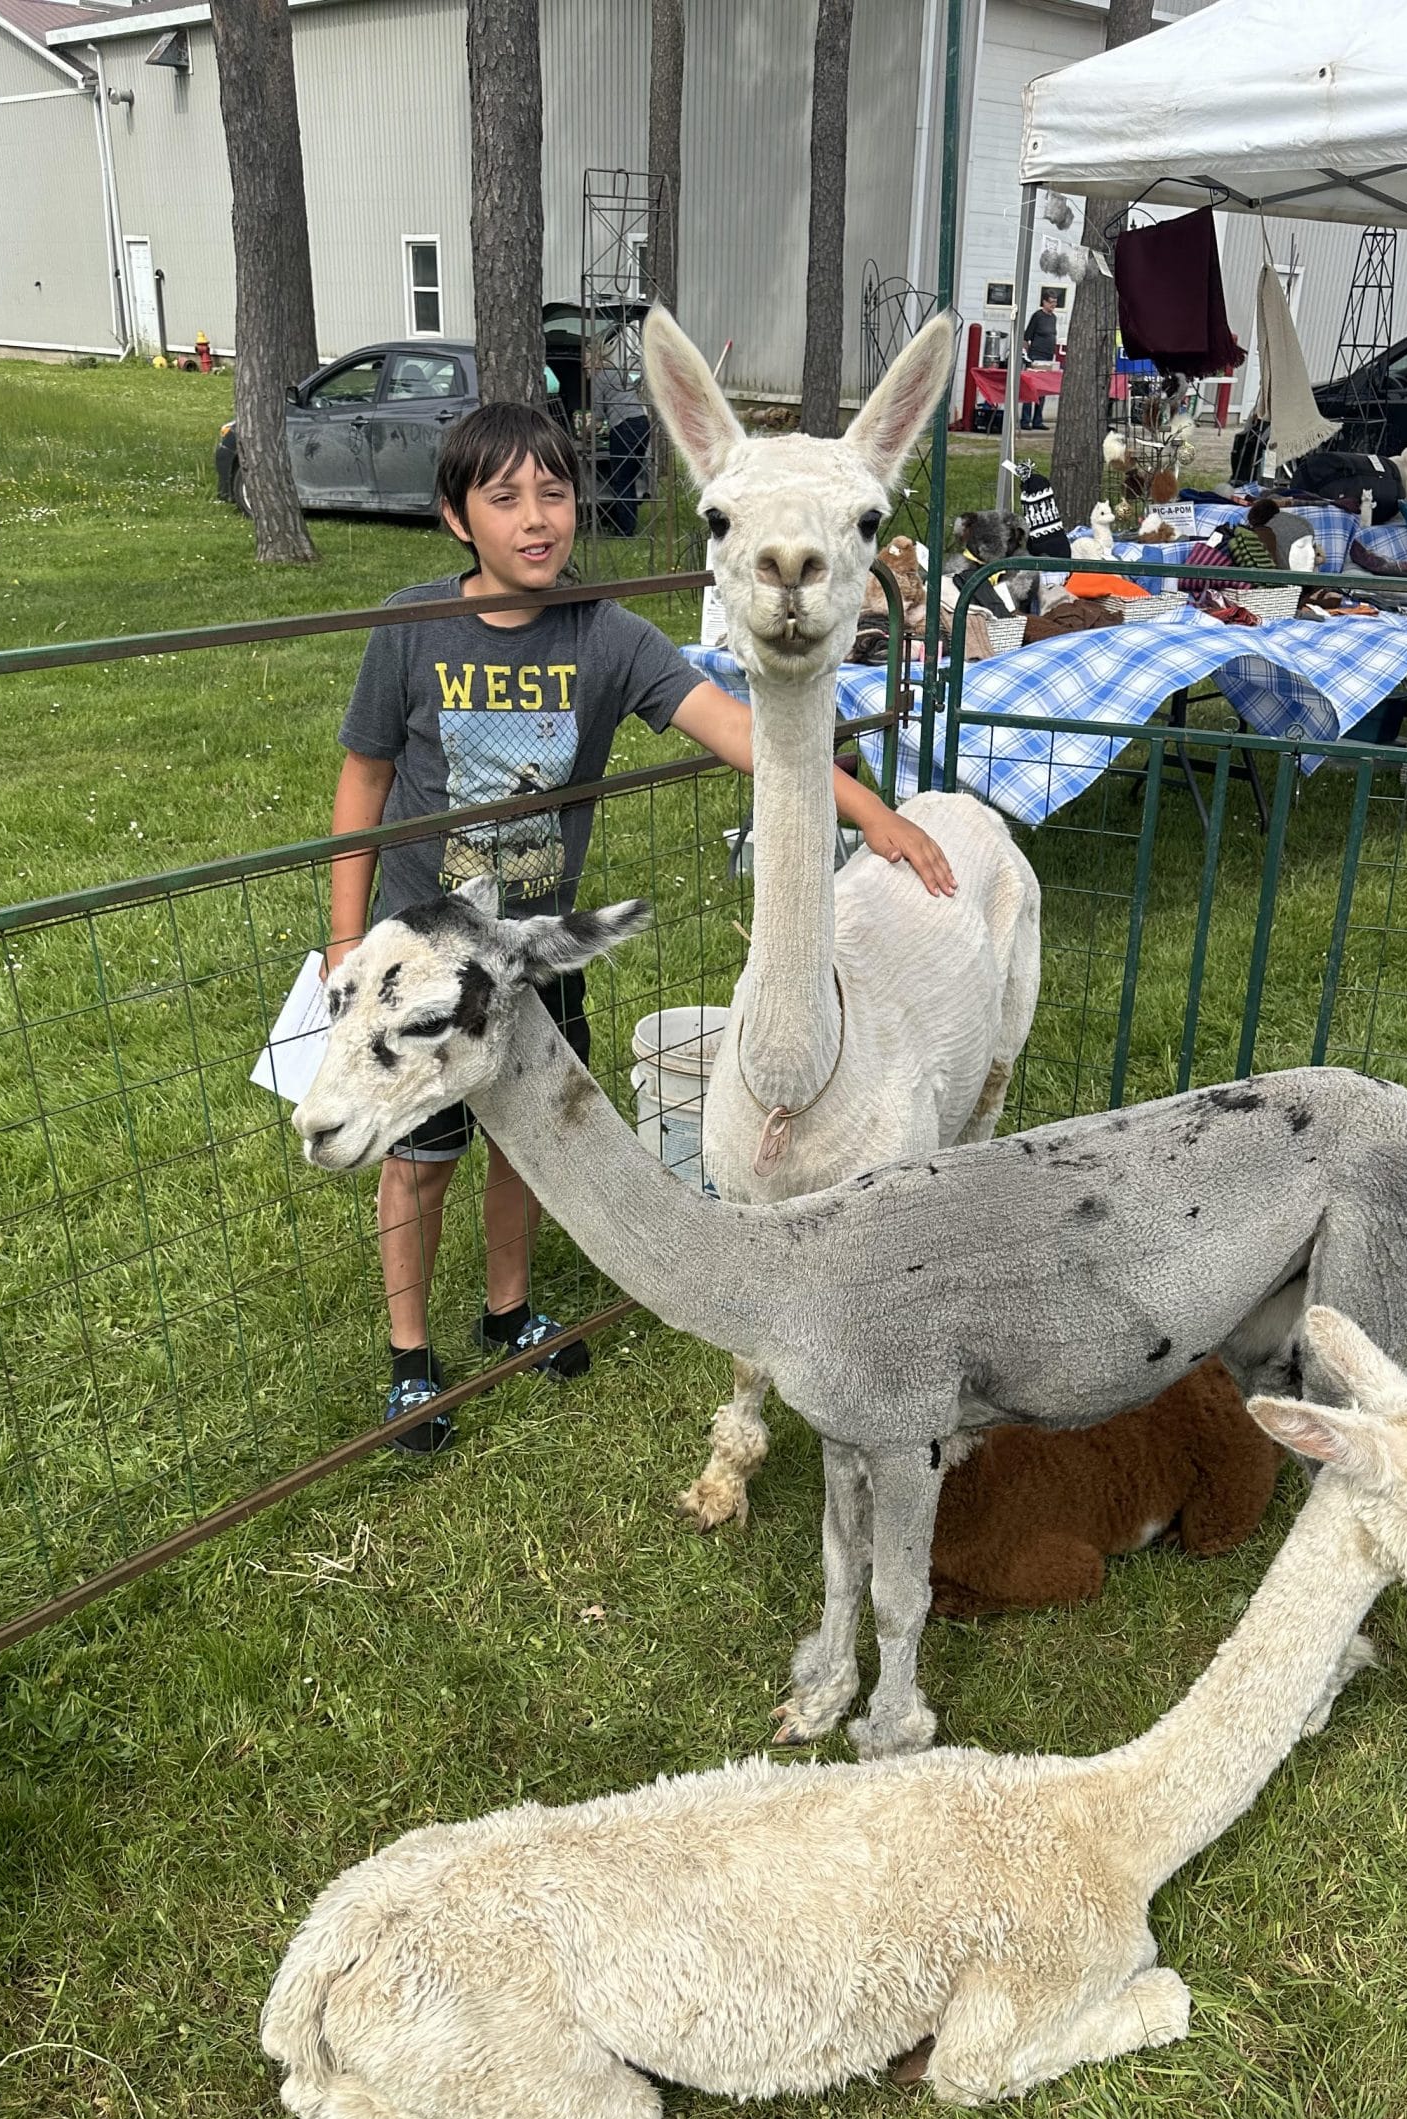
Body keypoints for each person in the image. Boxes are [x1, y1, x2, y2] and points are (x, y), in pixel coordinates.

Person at [328, 400, 955, 1452]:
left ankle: (509, 1309)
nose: (537, 519)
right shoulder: (411, 629)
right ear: (454, 518)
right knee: (420, 1154)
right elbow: (364, 777)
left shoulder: (609, 636)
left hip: (538, 954)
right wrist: (350, 942)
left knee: (527, 1139)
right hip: (424, 961)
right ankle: (408, 1355)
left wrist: (873, 811)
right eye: (505, 498)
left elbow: (744, 733)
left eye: (555, 494)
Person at [585, 342, 650, 538]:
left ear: (593, 362)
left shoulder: (598, 378)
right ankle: (627, 525)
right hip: (642, 424)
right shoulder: (618, 374)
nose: (585, 369)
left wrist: (586, 432)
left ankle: (624, 531)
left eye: (586, 364)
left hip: (624, 427)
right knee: (629, 477)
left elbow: (596, 414)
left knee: (621, 480)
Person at [1019, 290, 1062, 432]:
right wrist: (1027, 356)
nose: (1053, 305)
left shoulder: (1053, 318)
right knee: (1031, 387)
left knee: (1042, 390)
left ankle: (1038, 419)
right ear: (1044, 302)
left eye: (1055, 303)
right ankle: (1025, 420)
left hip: (1048, 356)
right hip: (1036, 355)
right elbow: (1027, 337)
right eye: (1051, 302)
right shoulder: (1037, 316)